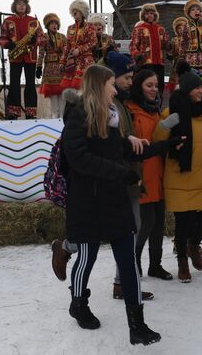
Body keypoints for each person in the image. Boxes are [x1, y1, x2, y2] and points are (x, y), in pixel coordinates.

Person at [61, 64, 181, 345]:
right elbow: (79, 159)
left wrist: (166, 146)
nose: (116, 89)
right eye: (111, 84)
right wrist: (121, 173)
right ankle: (78, 303)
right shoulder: (77, 116)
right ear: (97, 86)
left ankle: (137, 325)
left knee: (128, 260)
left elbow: (128, 152)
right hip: (87, 201)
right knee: (87, 256)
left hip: (114, 200)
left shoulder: (112, 119)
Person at [51, 51, 157, 301]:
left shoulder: (119, 103)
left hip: (118, 180)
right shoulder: (84, 111)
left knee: (130, 231)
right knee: (89, 249)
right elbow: (81, 156)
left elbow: (119, 140)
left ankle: (123, 286)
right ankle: (77, 296)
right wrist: (121, 168)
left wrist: (133, 142)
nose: (129, 82)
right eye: (125, 78)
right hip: (96, 189)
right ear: (107, 82)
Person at [155, 60, 202, 283]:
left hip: (201, 176)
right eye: (197, 88)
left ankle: (194, 245)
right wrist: (166, 127)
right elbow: (157, 141)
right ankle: (182, 260)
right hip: (180, 176)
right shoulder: (171, 111)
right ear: (186, 90)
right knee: (183, 223)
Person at [126, 69, 173, 280]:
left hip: (159, 174)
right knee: (145, 225)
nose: (154, 89)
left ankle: (155, 264)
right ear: (138, 86)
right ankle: (133, 265)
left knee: (158, 225)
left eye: (156, 85)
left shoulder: (157, 112)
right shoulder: (130, 111)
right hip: (141, 176)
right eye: (149, 85)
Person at [0, 0, 45, 119]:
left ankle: (31, 113)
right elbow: (2, 38)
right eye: (19, 4)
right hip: (15, 56)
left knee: (30, 84)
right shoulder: (8, 21)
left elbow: (42, 38)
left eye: (24, 4)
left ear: (27, 6)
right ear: (15, 6)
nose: (21, 6)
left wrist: (35, 39)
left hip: (30, 56)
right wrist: (9, 44)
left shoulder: (34, 21)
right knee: (14, 84)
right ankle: (13, 112)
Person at [130, 3, 170, 96]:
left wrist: (169, 45)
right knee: (147, 87)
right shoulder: (139, 28)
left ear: (155, 15)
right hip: (146, 63)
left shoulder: (161, 29)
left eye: (152, 13)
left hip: (159, 63)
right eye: (147, 13)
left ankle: (158, 107)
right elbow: (133, 45)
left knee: (159, 88)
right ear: (143, 15)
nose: (150, 15)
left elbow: (165, 44)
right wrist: (137, 55)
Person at [59, 0, 96, 90]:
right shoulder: (70, 28)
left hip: (86, 61)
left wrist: (80, 49)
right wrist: (62, 61)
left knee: (86, 87)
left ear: (82, 12)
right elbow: (67, 46)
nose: (75, 13)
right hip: (72, 62)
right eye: (73, 11)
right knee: (72, 88)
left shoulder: (90, 26)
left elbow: (93, 42)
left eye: (77, 11)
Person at [36, 13, 67, 118]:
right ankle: (54, 118)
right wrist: (38, 67)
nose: (54, 25)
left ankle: (62, 119)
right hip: (50, 70)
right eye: (52, 23)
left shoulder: (62, 37)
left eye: (56, 23)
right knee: (55, 106)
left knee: (63, 98)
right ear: (48, 25)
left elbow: (66, 52)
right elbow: (41, 53)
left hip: (62, 69)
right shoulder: (44, 37)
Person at [166, 16, 187, 93]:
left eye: (183, 28)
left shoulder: (190, 39)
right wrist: (168, 50)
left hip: (188, 63)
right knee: (177, 82)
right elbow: (170, 52)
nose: (181, 30)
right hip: (177, 64)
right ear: (176, 30)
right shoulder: (174, 40)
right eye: (179, 28)